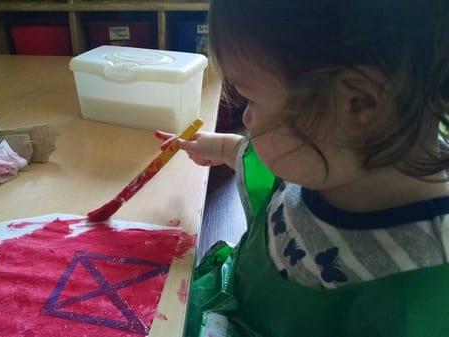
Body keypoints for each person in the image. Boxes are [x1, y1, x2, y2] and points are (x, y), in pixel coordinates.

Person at [156, 1, 449, 336]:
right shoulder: (331, 159)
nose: (247, 121)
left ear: (359, 104)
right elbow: (270, 171)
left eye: (251, 100)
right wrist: (223, 147)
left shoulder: (424, 290)